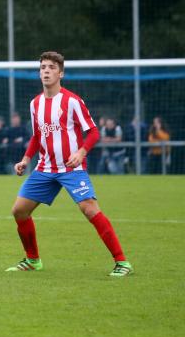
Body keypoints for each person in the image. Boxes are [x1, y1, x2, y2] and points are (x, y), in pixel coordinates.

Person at [7, 51, 132, 277]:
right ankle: (33, 260)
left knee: (90, 209)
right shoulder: (35, 104)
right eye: (43, 67)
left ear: (61, 73)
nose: (46, 71)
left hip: (71, 168)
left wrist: (81, 152)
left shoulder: (72, 101)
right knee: (19, 211)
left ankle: (122, 262)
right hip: (44, 168)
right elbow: (37, 136)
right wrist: (25, 160)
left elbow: (93, 132)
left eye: (51, 67)